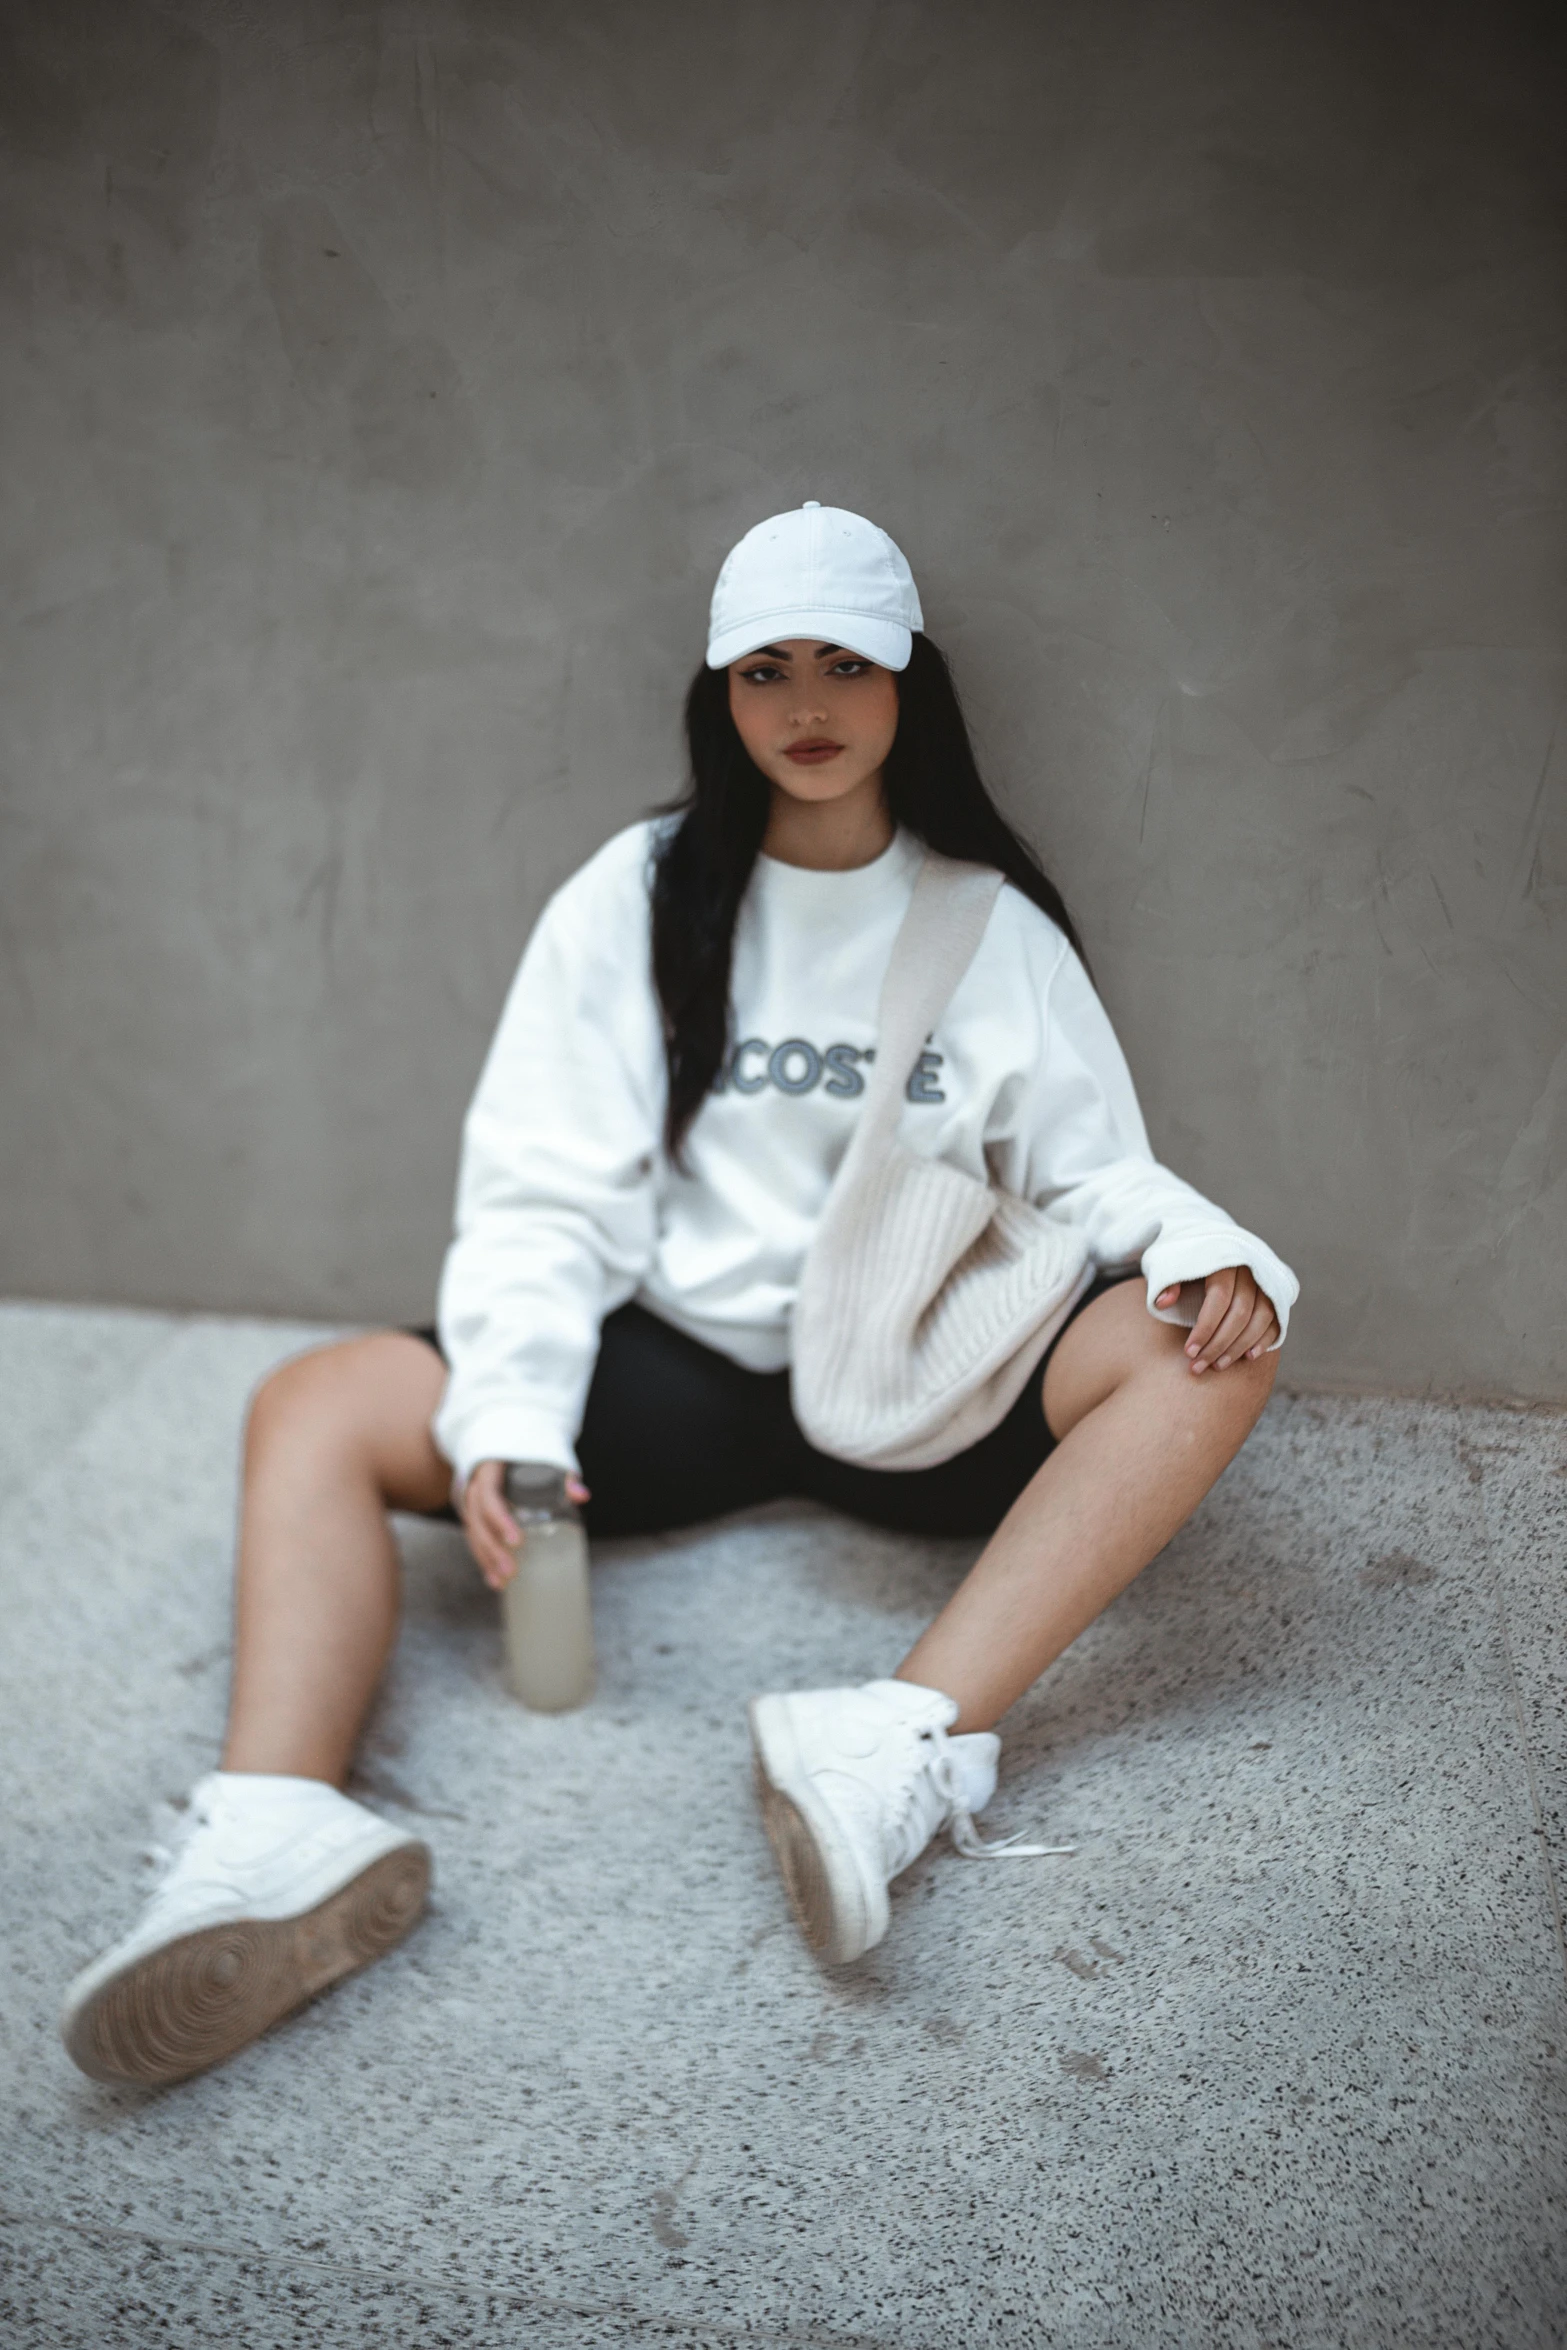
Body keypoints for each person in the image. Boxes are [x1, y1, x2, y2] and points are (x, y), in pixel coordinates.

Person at [61, 503, 1296, 2086]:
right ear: (716, 694)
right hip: (682, 1377)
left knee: (1205, 1345)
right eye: (764, 669)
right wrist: (509, 1412)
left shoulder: (981, 921)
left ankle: (892, 1742)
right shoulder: (634, 894)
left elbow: (1091, 1165)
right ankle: (277, 1827)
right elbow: (542, 1190)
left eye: (846, 665)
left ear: (910, 682)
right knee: (310, 1403)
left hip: (926, 1370)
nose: (807, 705)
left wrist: (1199, 1248)